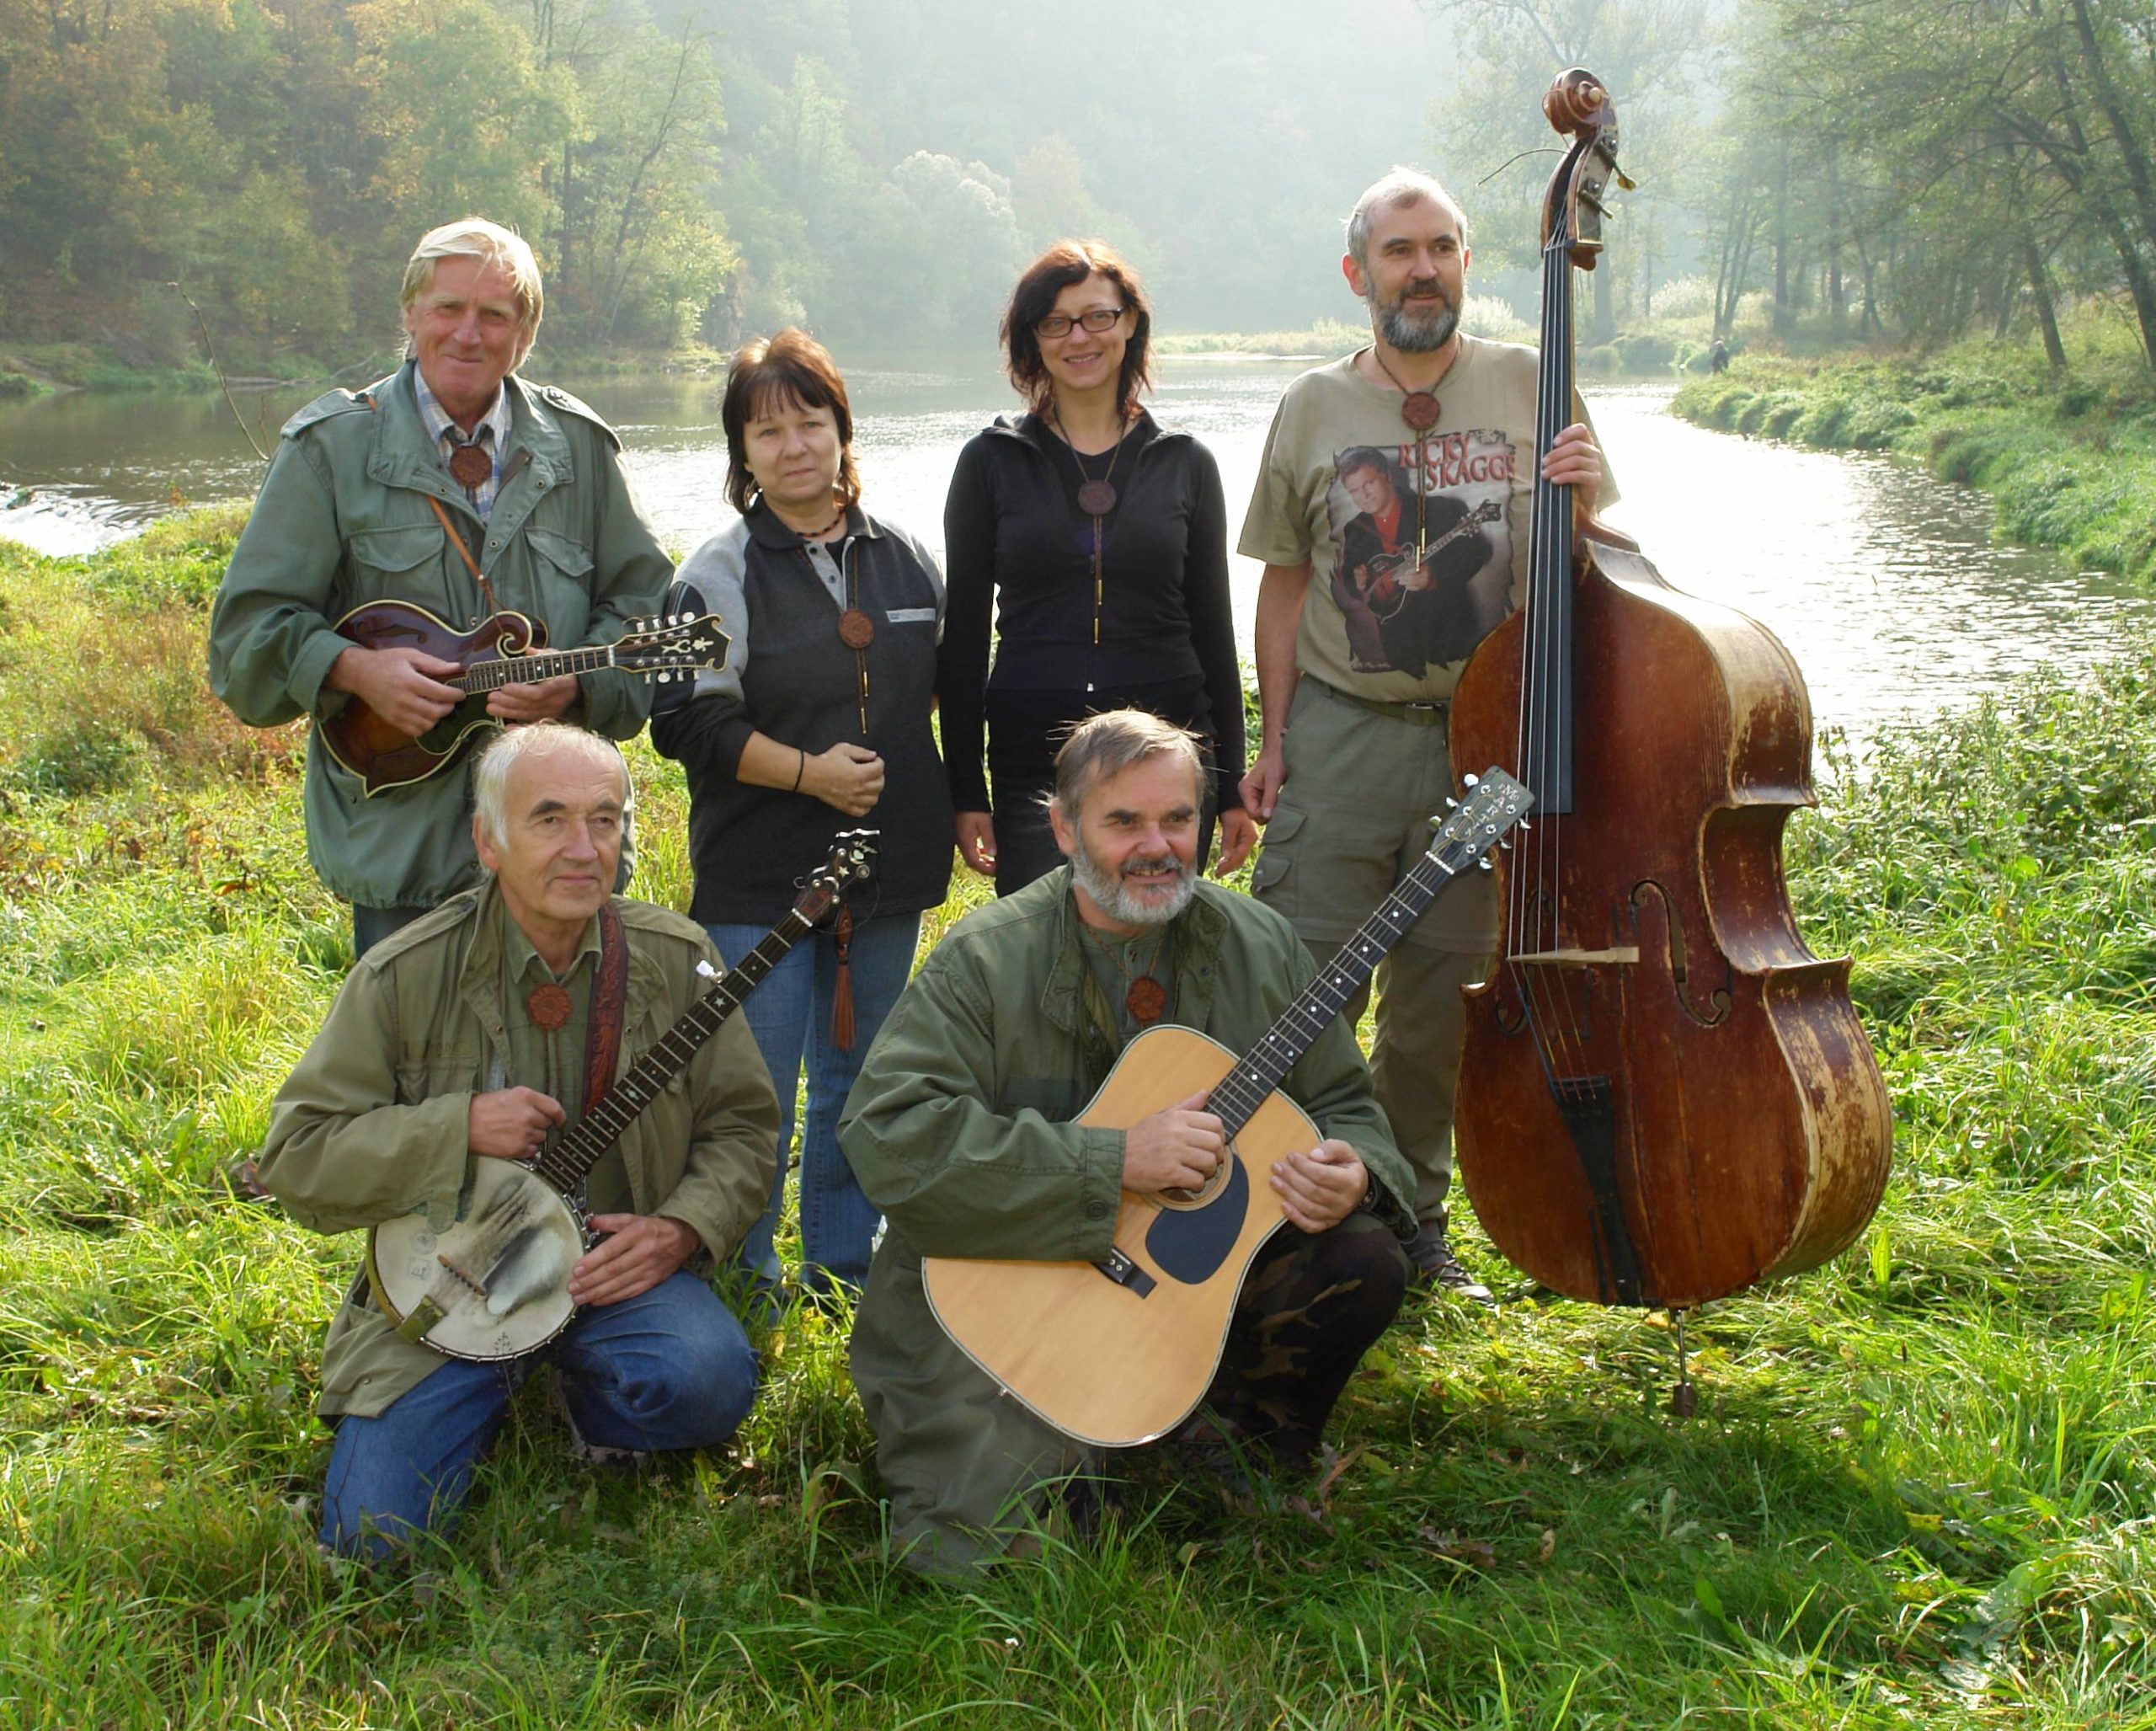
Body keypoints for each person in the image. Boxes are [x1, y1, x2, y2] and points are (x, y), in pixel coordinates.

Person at [840, 711, 1414, 1576]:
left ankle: (1233, 1434)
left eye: (1177, 819)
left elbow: (1342, 1100)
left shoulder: (1259, 943)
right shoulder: (986, 959)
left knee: (1361, 1257)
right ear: (1065, 828)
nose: (1157, 847)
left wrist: (1357, 1169)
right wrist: (1111, 1162)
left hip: (1187, 1281)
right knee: (1022, 1549)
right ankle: (1085, 1441)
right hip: (1010, 1286)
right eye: (1123, 822)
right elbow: (890, 1135)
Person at [253, 724, 779, 1559]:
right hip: (458, 1280)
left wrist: (683, 1227)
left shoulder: (676, 959)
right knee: (373, 1542)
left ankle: (583, 1397)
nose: (583, 848)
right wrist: (454, 1128)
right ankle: (479, 1385)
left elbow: (744, 1127)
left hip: (606, 1277)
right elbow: (297, 1157)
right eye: (549, 818)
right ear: (487, 842)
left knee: (708, 1381)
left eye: (604, 820)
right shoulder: (405, 973)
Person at [1238, 168, 1613, 1302]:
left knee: (1438, 1009)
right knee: (1298, 985)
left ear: (1466, 261)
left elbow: (1594, 559)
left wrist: (1589, 494)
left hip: (1486, 744)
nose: (1423, 269)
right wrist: (1274, 738)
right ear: (1358, 272)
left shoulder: (1530, 378)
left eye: (1442, 247)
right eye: (1399, 250)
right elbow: (1285, 584)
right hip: (1342, 736)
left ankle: (1409, 1219)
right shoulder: (1312, 405)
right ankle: (1276, 1219)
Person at [210, 217, 671, 959]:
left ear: (525, 334)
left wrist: (577, 686)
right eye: (449, 308)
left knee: (571, 1036)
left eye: (495, 314)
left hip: (563, 856)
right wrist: (353, 668)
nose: (468, 333)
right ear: (411, 314)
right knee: (418, 1040)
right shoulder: (329, 449)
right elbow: (243, 641)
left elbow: (644, 610)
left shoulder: (581, 447)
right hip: (406, 858)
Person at [650, 331, 952, 1299]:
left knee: (861, 1082)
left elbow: (937, 690)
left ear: (841, 431)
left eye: (809, 423)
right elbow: (680, 719)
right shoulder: (712, 571)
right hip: (759, 875)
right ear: (741, 452)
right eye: (766, 431)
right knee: (756, 1091)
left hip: (886, 870)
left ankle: (840, 1273)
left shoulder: (908, 557)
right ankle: (742, 1276)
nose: (792, 447)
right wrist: (811, 775)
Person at [941, 240, 1256, 897]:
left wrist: (1229, 784)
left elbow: (1214, 630)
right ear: (1033, 338)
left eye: (1097, 317)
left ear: (1130, 322)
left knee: (1157, 943)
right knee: (1043, 945)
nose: (1079, 337)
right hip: (1035, 762)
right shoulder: (991, 462)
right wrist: (966, 789)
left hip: (1169, 761)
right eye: (1055, 322)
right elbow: (965, 638)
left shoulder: (1186, 463)